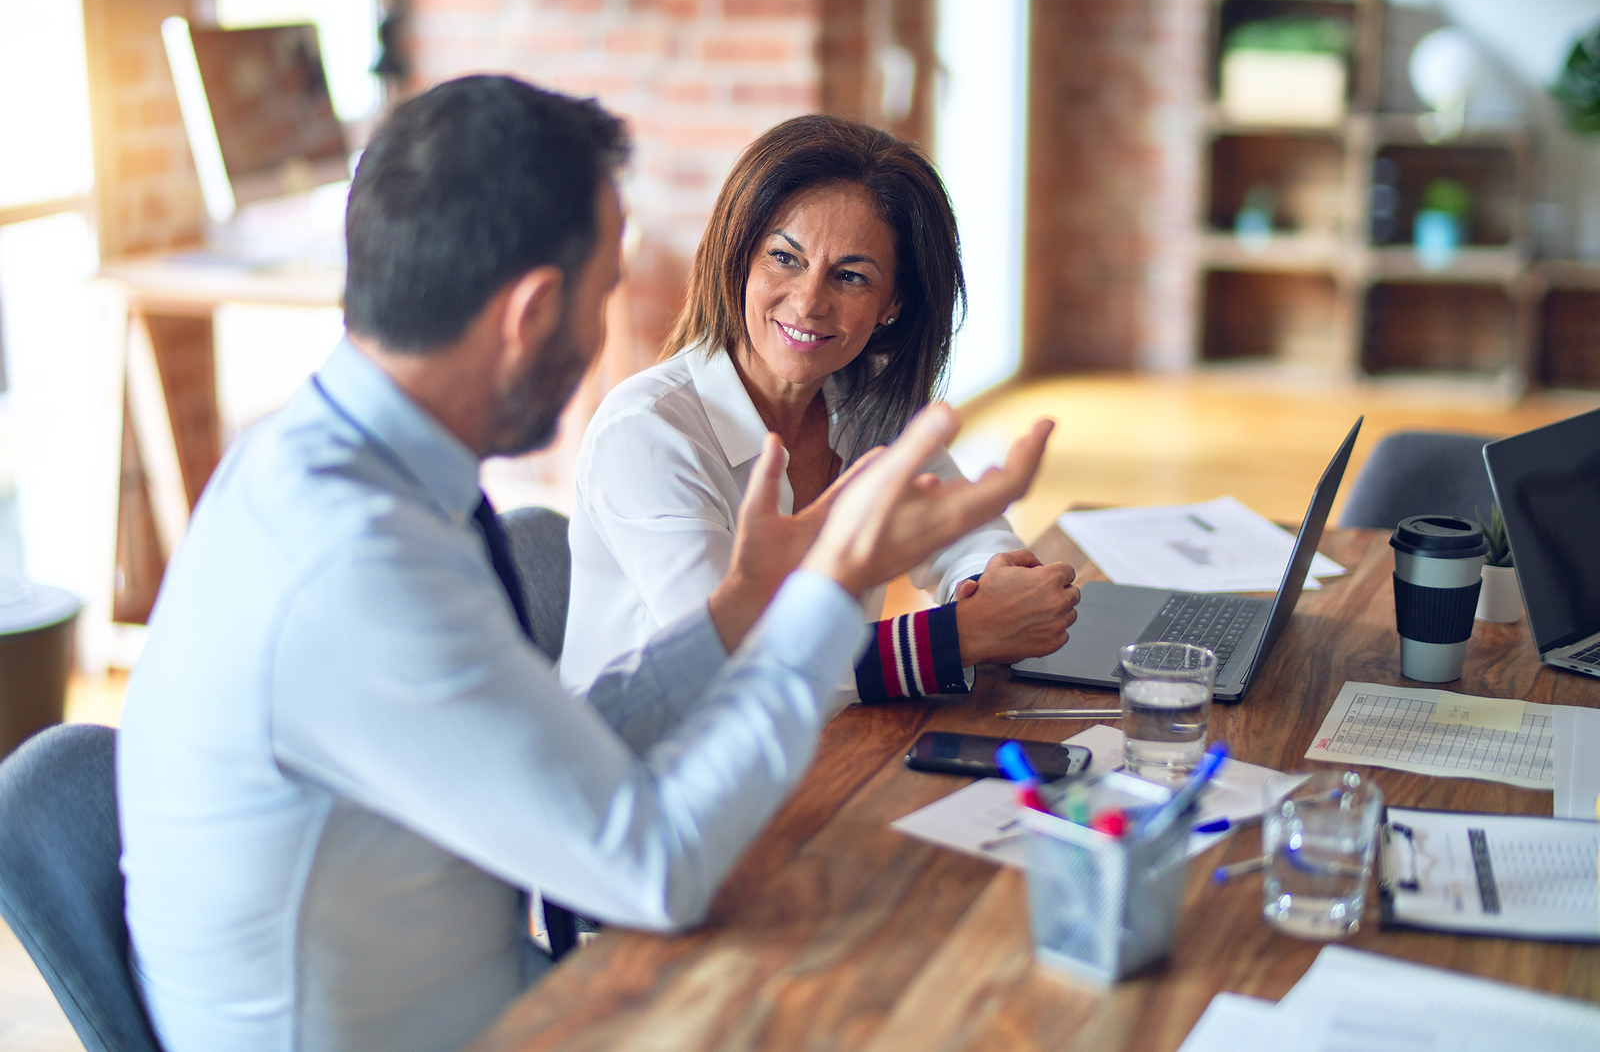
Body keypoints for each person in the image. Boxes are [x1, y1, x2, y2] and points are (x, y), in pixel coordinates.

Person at [116, 76, 1054, 1052]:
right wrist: (820, 596)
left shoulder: (344, 468)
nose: (612, 327)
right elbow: (652, 862)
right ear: (531, 312)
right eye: (607, 290)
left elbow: (570, 741)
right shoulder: (360, 561)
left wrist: (737, 608)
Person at [561, 114, 1079, 700]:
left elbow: (965, 536)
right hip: (647, 766)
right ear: (740, 258)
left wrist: (989, 584)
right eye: (785, 258)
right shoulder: (647, 434)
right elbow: (739, 663)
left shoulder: (867, 400)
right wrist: (957, 636)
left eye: (851, 276)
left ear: (893, 305)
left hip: (811, 747)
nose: (808, 303)